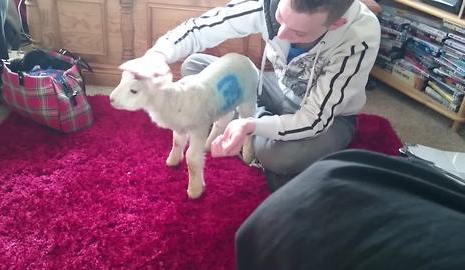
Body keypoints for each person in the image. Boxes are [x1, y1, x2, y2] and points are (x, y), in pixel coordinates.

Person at [120, 0, 381, 190]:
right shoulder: (268, 5)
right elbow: (200, 28)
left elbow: (314, 119)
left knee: (279, 157)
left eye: (299, 33)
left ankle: (243, 121)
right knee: (194, 67)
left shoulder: (359, 37)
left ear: (336, 23)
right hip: (271, 85)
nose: (281, 35)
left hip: (327, 116)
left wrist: (250, 124)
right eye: (280, 18)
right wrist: (156, 56)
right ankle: (243, 118)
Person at [235, 149, 465, 269]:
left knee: (284, 155)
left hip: (319, 127)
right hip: (329, 177)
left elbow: (314, 119)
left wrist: (257, 125)